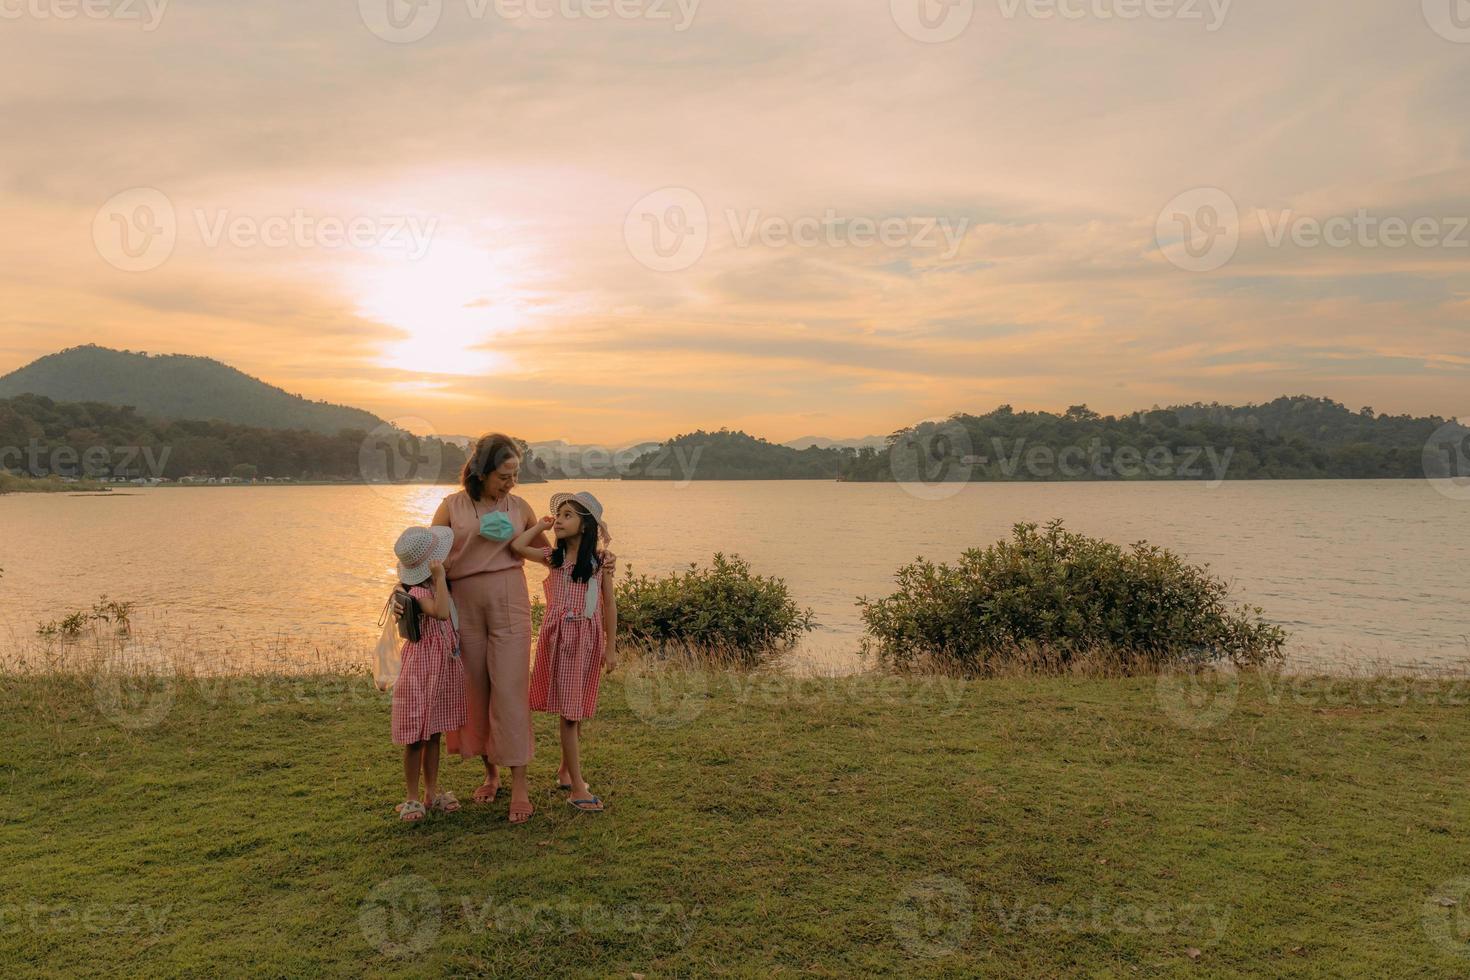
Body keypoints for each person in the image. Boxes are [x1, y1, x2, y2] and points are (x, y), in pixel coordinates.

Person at [513, 492, 617, 813]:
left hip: (588, 639)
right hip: (561, 639)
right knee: (570, 714)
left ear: (586, 526)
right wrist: (539, 525)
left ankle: (564, 772)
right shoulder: (552, 558)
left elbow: (609, 605)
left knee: (578, 705)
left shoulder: (599, 562)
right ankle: (578, 788)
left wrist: (610, 646)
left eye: (567, 515)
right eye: (558, 515)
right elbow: (516, 547)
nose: (558, 519)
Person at [389, 525, 466, 822]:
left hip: (441, 666)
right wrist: (440, 577)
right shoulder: (418, 592)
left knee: (433, 733)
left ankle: (431, 791)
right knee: (415, 737)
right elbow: (442, 612)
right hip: (422, 668)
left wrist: (441, 580)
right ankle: (411, 796)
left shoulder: (431, 586)